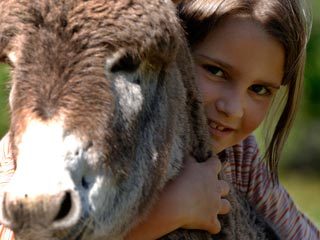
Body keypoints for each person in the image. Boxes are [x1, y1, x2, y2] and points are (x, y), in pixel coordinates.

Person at [0, 0, 319, 240]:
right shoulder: (50, 148)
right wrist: (174, 209)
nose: (233, 108)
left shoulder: (242, 156)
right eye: (215, 71)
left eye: (260, 89)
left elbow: (298, 231)